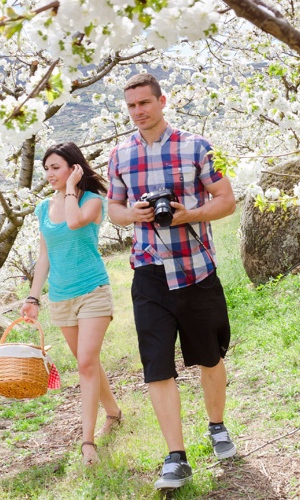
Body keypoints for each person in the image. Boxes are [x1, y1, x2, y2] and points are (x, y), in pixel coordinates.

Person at [106, 73, 238, 490]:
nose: (138, 112)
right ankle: (176, 457)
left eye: (145, 103)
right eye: (131, 106)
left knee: (210, 357)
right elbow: (113, 208)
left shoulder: (198, 146)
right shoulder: (119, 154)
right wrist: (133, 215)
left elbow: (226, 201)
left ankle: (216, 425)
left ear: (162, 101)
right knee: (156, 366)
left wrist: (188, 214)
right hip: (147, 272)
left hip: (195, 268)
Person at [21, 142, 123, 466]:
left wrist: (70, 190)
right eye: (46, 169)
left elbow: (76, 222)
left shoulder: (92, 201)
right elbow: (44, 256)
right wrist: (33, 297)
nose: (50, 174)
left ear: (74, 168)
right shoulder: (42, 210)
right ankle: (114, 413)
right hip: (61, 299)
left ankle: (87, 442)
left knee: (85, 364)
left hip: (93, 290)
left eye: (56, 168)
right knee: (87, 362)